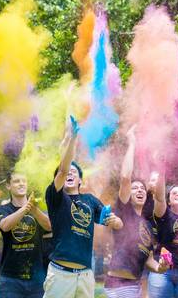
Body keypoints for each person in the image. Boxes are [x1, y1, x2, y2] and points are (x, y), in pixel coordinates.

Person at [43, 116, 123, 298]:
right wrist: (72, 138)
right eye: (66, 173)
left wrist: (116, 221)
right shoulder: (56, 197)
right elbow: (63, 169)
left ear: (80, 180)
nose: (69, 173)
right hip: (60, 274)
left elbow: (113, 222)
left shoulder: (90, 200)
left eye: (74, 172)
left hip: (86, 275)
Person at [104, 127, 168, 298]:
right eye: (135, 188)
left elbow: (147, 260)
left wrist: (160, 267)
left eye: (142, 188)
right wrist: (132, 143)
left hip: (136, 285)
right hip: (117, 285)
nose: (139, 190)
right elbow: (125, 177)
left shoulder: (148, 222)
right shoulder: (124, 211)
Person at [0, 171, 52, 298]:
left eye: (23, 181)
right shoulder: (3, 210)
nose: (21, 184)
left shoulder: (37, 210)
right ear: (8, 186)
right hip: (10, 279)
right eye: (16, 181)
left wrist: (33, 209)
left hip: (37, 277)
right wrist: (26, 208)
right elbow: (5, 226)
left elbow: (49, 226)